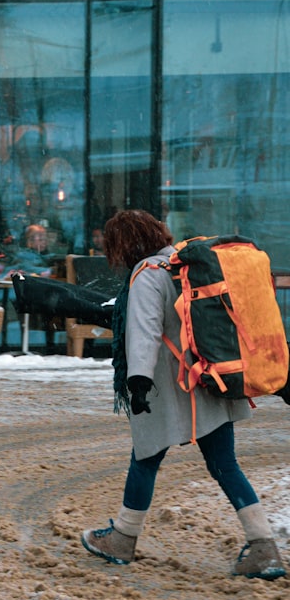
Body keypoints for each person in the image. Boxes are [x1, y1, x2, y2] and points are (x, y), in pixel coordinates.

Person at [80, 209, 285, 580]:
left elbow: (143, 331)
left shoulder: (145, 275)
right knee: (225, 465)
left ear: (121, 246)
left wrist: (138, 381)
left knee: (144, 458)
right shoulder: (183, 266)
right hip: (211, 380)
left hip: (169, 388)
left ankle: (123, 538)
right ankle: (263, 547)